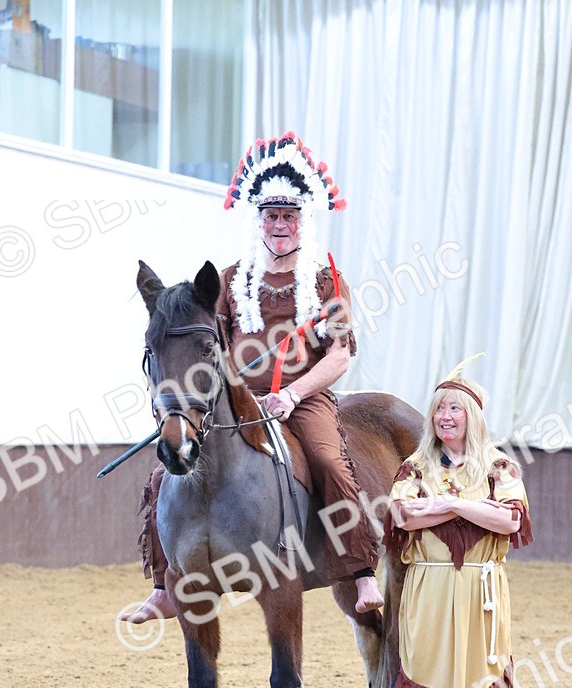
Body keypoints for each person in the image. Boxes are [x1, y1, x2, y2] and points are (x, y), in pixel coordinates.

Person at [122, 131, 384, 624]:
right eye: (271, 215)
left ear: (303, 220)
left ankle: (361, 569)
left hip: (303, 401)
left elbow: (339, 358)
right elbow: (201, 337)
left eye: (289, 215)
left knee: (328, 462)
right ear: (259, 219)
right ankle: (165, 585)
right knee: (164, 471)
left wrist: (292, 395)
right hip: (237, 399)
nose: (280, 224)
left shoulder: (326, 279)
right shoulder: (229, 279)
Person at [385, 361, 533, 688]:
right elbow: (402, 514)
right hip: (428, 589)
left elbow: (510, 519)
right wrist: (469, 509)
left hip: (479, 591)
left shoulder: (498, 465)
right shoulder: (415, 466)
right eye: (439, 409)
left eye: (454, 408)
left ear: (471, 414)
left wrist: (448, 505)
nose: (445, 416)